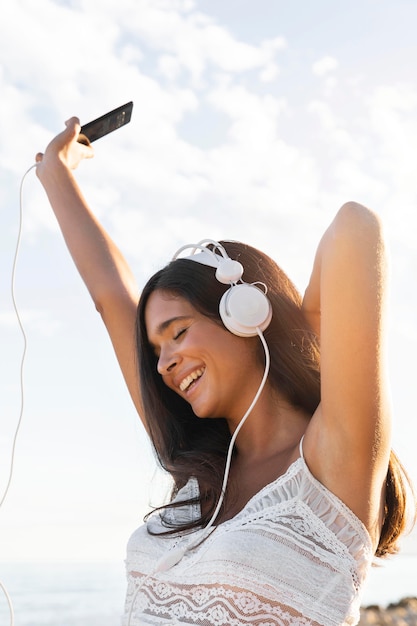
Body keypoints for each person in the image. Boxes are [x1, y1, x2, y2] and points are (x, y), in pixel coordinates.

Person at [35, 117, 415, 626]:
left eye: (178, 332)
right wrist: (56, 175)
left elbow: (356, 227)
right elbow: (110, 298)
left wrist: (299, 324)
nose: (164, 363)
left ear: (243, 313)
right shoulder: (197, 466)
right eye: (155, 349)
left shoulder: (333, 457)